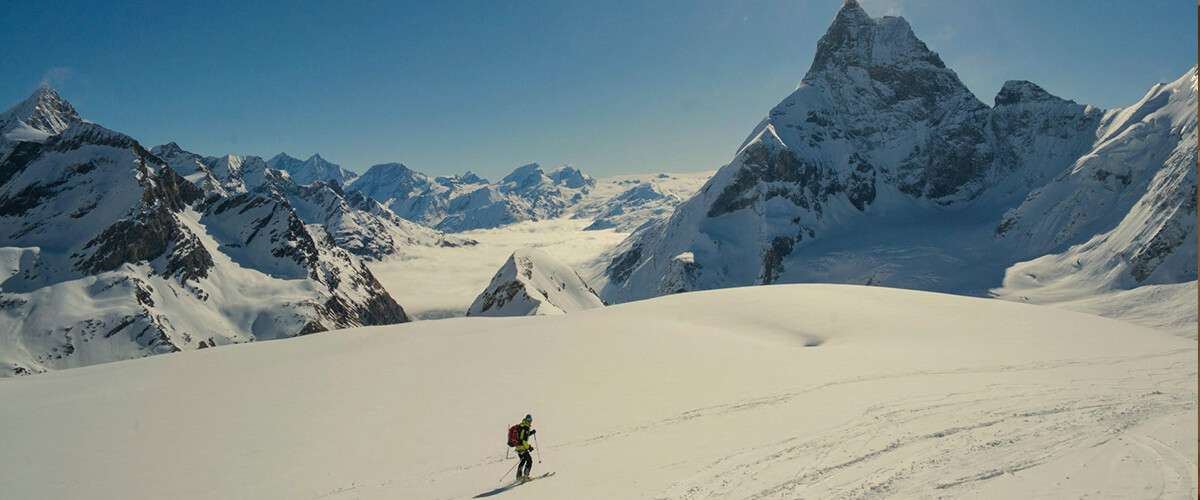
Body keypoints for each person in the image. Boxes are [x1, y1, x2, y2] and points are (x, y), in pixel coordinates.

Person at [514, 414, 536, 480]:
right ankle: (526, 476)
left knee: (523, 460)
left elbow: (522, 436)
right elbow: (524, 440)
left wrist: (530, 433)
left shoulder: (521, 425)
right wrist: (529, 447)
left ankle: (518, 476)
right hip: (522, 448)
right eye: (530, 420)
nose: (530, 421)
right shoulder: (526, 427)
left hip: (518, 447)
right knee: (529, 461)